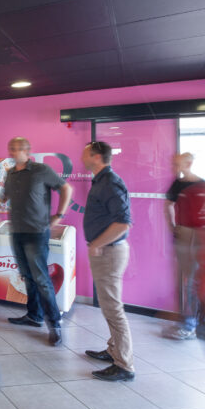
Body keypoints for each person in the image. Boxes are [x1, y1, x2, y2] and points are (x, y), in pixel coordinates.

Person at [3, 137, 73, 346]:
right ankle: (34, 316)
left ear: (28, 150)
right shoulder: (10, 173)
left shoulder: (41, 170)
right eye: (11, 149)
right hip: (16, 232)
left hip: (36, 232)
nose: (13, 152)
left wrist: (59, 215)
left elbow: (66, 189)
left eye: (17, 149)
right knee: (28, 276)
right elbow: (5, 196)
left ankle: (55, 324)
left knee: (41, 279)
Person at [81, 141, 135, 382]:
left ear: (96, 156)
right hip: (107, 251)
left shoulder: (111, 182)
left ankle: (124, 365)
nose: (82, 155)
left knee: (113, 309)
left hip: (110, 252)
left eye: (86, 152)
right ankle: (113, 350)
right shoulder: (100, 180)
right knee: (109, 306)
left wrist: (97, 244)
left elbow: (123, 222)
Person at [164, 153, 205, 341]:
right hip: (185, 235)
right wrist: (172, 226)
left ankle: (196, 323)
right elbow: (167, 205)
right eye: (174, 163)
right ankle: (190, 323)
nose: (175, 167)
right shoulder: (178, 184)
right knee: (189, 280)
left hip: (200, 237)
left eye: (177, 164)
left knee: (197, 281)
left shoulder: (202, 185)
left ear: (189, 163)